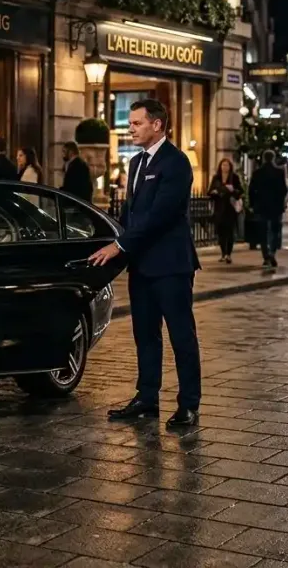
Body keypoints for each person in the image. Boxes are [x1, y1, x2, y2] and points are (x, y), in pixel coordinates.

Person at [89, 98, 201, 428]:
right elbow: (131, 214)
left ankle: (189, 405)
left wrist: (120, 244)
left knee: (182, 337)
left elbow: (159, 216)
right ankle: (146, 398)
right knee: (145, 335)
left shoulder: (176, 162)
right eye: (131, 123)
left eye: (137, 123)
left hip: (171, 266)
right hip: (142, 266)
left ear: (157, 125)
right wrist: (115, 240)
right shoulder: (136, 163)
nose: (130, 128)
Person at [248, 150, 288, 268]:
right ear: (273, 158)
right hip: (275, 206)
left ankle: (266, 255)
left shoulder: (257, 173)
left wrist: (252, 204)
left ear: (263, 158)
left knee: (263, 232)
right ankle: (272, 253)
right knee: (275, 231)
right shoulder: (279, 172)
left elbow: (251, 190)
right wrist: (281, 202)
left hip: (261, 206)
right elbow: (283, 189)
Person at [207, 158, 244, 264]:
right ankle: (223, 253)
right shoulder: (216, 178)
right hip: (219, 209)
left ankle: (228, 254)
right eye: (223, 165)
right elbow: (209, 192)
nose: (225, 167)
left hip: (230, 208)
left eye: (227, 165)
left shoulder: (234, 178)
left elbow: (240, 191)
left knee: (230, 232)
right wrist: (214, 192)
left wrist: (233, 190)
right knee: (221, 232)